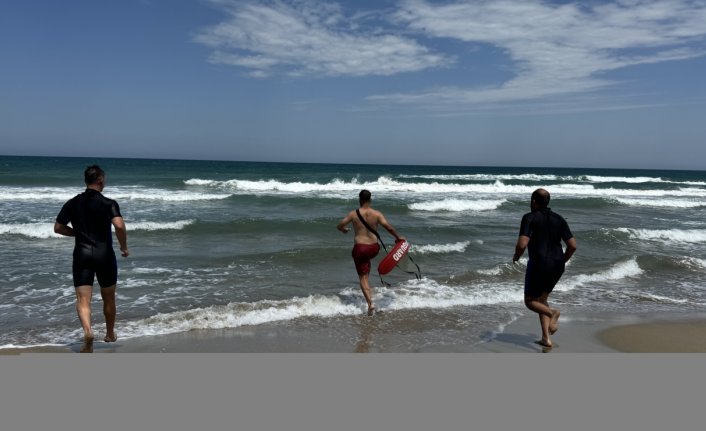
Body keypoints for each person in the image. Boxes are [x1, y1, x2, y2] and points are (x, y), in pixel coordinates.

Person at [54, 165, 129, 353]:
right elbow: (119, 226)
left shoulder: (72, 203)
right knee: (109, 297)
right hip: (105, 255)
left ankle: (88, 332)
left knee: (83, 299)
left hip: (82, 254)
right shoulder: (109, 203)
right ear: (101, 180)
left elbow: (58, 228)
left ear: (86, 181)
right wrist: (124, 246)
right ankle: (110, 334)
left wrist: (78, 234)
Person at [513, 188, 576, 349]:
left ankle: (552, 313)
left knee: (530, 302)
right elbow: (572, 246)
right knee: (542, 300)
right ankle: (546, 339)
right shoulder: (559, 219)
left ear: (533, 201)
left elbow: (522, 244)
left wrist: (516, 256)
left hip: (539, 264)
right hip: (557, 264)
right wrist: (561, 261)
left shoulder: (529, 218)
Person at [337, 189, 404, 316]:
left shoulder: (353, 214)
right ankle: (369, 291)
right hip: (374, 249)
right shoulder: (377, 214)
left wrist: (344, 230)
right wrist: (398, 237)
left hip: (360, 249)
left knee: (363, 278)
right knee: (366, 267)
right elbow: (388, 227)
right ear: (370, 200)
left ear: (360, 200)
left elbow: (339, 225)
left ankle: (370, 304)